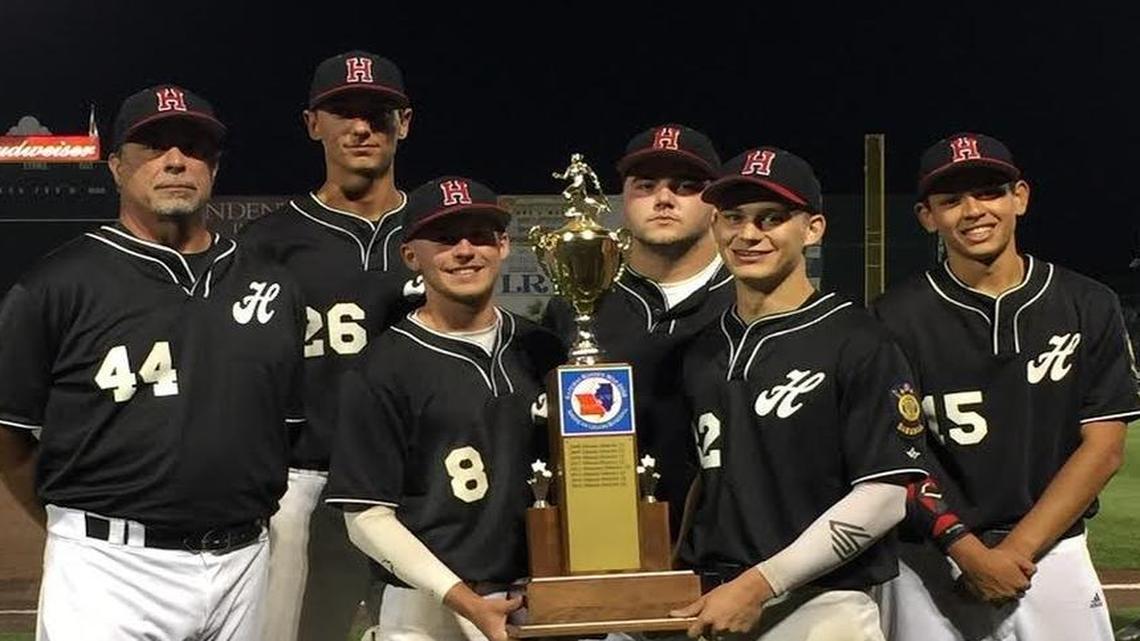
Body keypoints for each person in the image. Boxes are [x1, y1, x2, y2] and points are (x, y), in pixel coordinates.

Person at [0, 85, 305, 640]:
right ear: (116, 167)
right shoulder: (56, 286)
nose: (176, 160)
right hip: (108, 569)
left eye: (194, 146)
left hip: (244, 561)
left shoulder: (274, 287)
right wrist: (75, 525)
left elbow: (281, 428)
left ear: (215, 167)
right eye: (154, 145)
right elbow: (10, 435)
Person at [872, 133, 1140, 641]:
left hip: (1052, 552)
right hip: (930, 557)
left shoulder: (1087, 303)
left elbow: (1104, 448)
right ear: (927, 216)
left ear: (1020, 197)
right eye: (951, 200)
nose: (973, 210)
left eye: (989, 192)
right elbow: (895, 457)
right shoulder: (894, 318)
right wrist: (967, 551)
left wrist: (1015, 551)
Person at [670, 147, 928, 640]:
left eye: (771, 218)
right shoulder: (703, 348)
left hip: (822, 602)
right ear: (715, 226)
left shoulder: (859, 341)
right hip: (713, 598)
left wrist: (759, 584)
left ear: (813, 229)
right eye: (734, 217)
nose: (748, 234)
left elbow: (885, 497)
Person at [326, 176, 564, 641]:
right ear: (410, 256)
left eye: (479, 236)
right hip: (427, 605)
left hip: (539, 594)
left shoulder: (544, 349)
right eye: (445, 238)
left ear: (503, 246)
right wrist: (464, 601)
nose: (464, 250)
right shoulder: (382, 367)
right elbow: (366, 518)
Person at [239, 50, 422, 641]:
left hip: (418, 484)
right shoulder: (267, 243)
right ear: (313, 123)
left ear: (404, 123)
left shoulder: (438, 235)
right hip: (303, 479)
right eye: (343, 111)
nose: (361, 127)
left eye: (378, 112)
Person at [542, 124, 730, 536]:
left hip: (732, 549)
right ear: (623, 198)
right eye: (645, 185)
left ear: (715, 202)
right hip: (604, 539)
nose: (664, 199)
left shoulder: (746, 298)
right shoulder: (575, 303)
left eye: (686, 186)